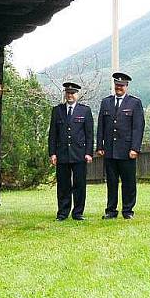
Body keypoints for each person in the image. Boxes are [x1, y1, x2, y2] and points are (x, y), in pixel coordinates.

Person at [96, 72, 144, 219]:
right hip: (110, 150)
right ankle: (111, 211)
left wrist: (135, 148)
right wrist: (100, 146)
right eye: (117, 85)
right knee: (111, 182)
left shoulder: (134, 103)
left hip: (127, 150)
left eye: (122, 85)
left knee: (128, 183)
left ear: (126, 86)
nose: (119, 87)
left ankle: (128, 211)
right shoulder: (106, 102)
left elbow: (138, 127)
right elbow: (101, 126)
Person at [48, 82, 93, 221]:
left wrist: (89, 152)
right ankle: (62, 212)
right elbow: (53, 134)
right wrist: (52, 153)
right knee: (63, 185)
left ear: (77, 95)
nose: (70, 95)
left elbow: (89, 134)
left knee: (79, 184)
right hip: (62, 154)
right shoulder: (57, 110)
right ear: (65, 94)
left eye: (72, 93)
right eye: (67, 93)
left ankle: (78, 212)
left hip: (79, 154)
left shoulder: (85, 111)